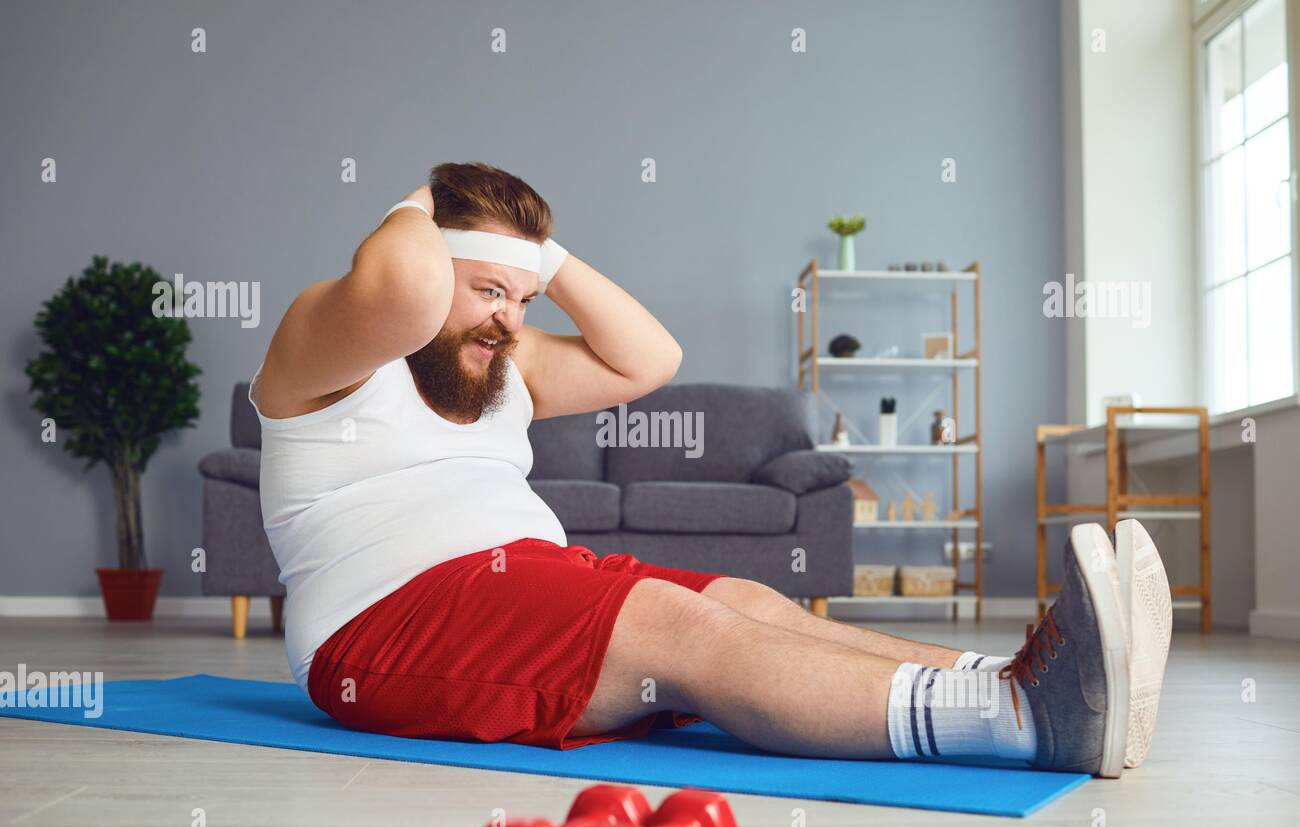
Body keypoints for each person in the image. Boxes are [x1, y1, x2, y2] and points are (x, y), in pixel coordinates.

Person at [250, 161, 1173, 777]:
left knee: (746, 602)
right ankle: (1023, 725)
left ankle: (1024, 679)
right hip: (382, 628)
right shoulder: (322, 350)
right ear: (428, 251)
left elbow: (649, 360)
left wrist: (538, 260)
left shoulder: (505, 366)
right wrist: (423, 197)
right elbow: (409, 287)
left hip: (525, 581)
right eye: (490, 291)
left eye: (523, 300)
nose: (511, 319)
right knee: (671, 627)